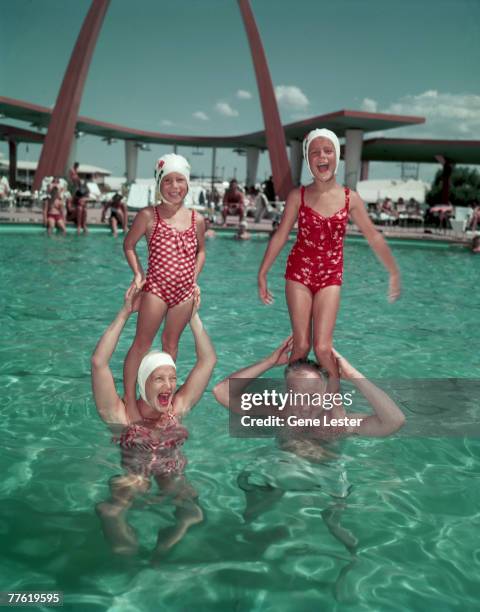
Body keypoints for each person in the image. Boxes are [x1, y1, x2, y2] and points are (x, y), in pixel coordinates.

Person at [213, 338, 405, 534]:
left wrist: (354, 376)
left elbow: (394, 421)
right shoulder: (279, 413)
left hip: (327, 478)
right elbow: (221, 392)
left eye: (313, 397)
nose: (304, 407)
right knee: (249, 504)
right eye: (297, 396)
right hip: (280, 470)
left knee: (339, 521)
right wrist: (268, 362)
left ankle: (334, 526)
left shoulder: (338, 423)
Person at [257, 129, 400, 389]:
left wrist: (393, 272)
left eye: (328, 150)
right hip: (299, 273)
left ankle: (333, 404)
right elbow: (280, 236)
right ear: (308, 160)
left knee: (323, 348)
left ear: (337, 156)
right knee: (301, 345)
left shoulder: (350, 199)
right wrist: (263, 272)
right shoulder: (297, 196)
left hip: (330, 277)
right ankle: (294, 403)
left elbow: (373, 237)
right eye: (315, 152)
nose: (321, 156)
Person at [92, 286, 216, 558]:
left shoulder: (176, 409)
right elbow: (99, 363)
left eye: (172, 378)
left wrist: (193, 316)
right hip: (134, 477)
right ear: (142, 382)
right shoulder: (121, 415)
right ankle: (124, 548)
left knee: (193, 511)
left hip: (171, 474)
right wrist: (125, 313)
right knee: (127, 492)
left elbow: (207, 361)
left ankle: (163, 550)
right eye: (159, 378)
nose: (169, 385)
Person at [123, 154, 206, 415]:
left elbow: (201, 251)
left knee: (171, 345)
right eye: (167, 180)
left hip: (183, 294)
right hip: (156, 290)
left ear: (187, 183)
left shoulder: (197, 220)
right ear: (159, 184)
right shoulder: (149, 216)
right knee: (142, 344)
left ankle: (163, 400)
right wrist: (138, 274)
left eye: (179, 180)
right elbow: (128, 245)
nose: (174, 186)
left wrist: (194, 279)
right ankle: (129, 398)